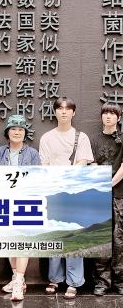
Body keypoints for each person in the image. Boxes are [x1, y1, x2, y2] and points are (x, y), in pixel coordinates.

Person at [39, 97, 94, 299]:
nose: (64, 111)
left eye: (68, 108)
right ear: (55, 112)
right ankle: (55, 278)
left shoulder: (81, 137)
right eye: (60, 108)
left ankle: (73, 282)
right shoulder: (47, 137)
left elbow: (82, 162)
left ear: (73, 112)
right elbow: (44, 165)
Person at [0, 114, 41, 301]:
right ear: (7, 132)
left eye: (21, 129)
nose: (17, 132)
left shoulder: (32, 153)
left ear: (25, 133)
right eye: (13, 129)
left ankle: (18, 283)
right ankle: (17, 278)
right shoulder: (0, 152)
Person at [90, 103, 123, 295]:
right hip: (98, 194)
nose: (108, 116)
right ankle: (102, 282)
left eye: (112, 113)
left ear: (119, 117)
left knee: (119, 239)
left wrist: (109, 183)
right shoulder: (94, 139)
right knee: (100, 237)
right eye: (105, 113)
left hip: (119, 194)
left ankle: (120, 281)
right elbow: (92, 163)